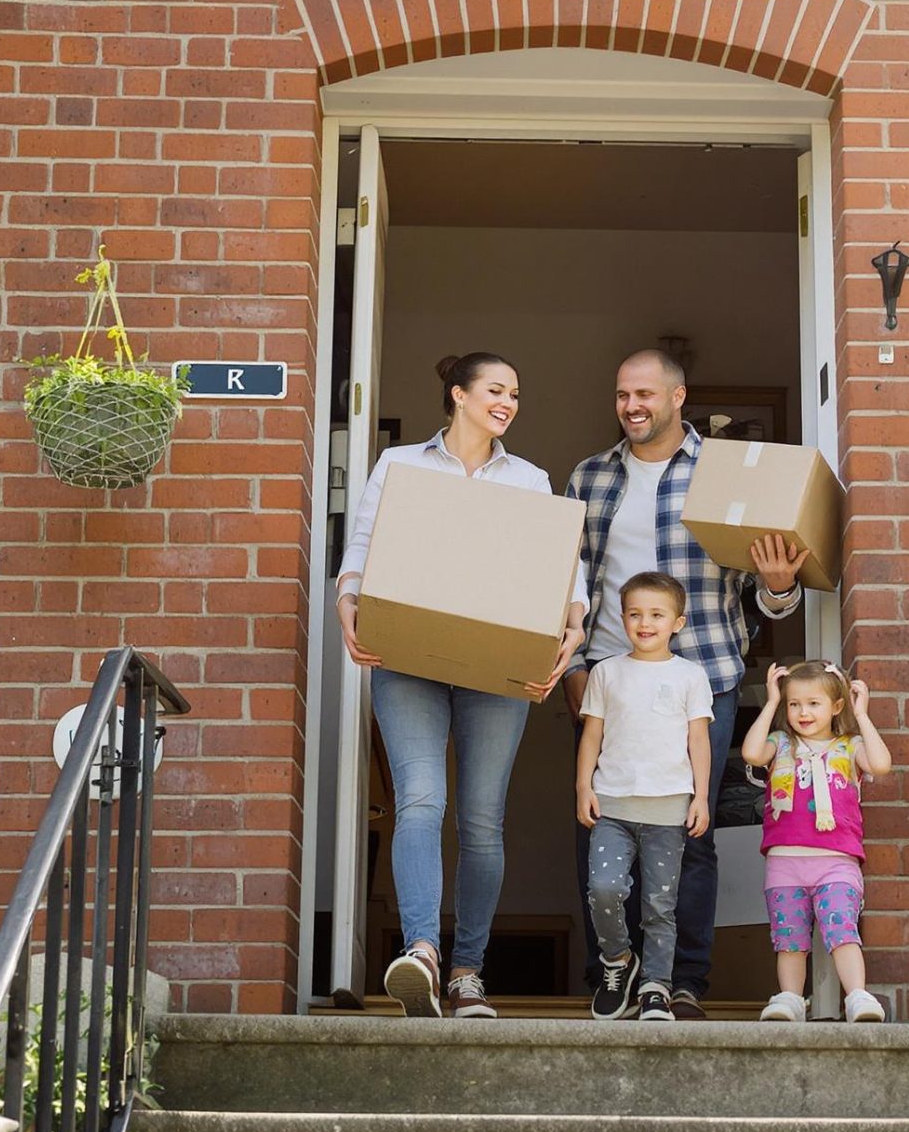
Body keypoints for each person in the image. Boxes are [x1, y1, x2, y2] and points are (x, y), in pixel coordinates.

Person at [337, 351, 587, 1020]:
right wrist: (347, 600)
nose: (507, 402)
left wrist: (573, 628)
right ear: (458, 395)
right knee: (420, 799)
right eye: (495, 390)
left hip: (496, 662)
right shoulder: (403, 465)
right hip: (407, 655)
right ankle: (421, 950)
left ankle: (469, 972)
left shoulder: (530, 478)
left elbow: (561, 567)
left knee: (481, 821)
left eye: (515, 393)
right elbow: (361, 551)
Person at [561, 348, 810, 1019]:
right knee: (600, 826)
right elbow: (566, 585)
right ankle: (612, 969)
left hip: (702, 677)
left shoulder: (723, 474)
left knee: (690, 830)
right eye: (622, 394)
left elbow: (768, 590)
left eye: (644, 393)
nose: (632, 405)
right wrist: (574, 672)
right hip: (607, 682)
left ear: (678, 397)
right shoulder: (588, 478)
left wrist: (781, 588)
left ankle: (682, 979)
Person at [574, 571, 714, 1021]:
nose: (645, 622)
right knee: (604, 889)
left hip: (668, 809)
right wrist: (583, 786)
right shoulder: (606, 672)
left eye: (656, 614)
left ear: (678, 622)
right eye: (635, 614)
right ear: (622, 619)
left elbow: (699, 742)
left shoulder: (691, 675)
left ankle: (657, 985)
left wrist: (701, 797)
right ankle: (618, 961)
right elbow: (591, 734)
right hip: (612, 805)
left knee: (659, 906)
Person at [739, 660, 895, 1023]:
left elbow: (881, 764)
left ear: (836, 706)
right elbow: (750, 752)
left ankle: (857, 995)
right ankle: (791, 998)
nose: (803, 712)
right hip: (785, 860)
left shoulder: (849, 746)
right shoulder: (779, 744)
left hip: (836, 860)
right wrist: (770, 703)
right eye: (794, 704)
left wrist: (862, 716)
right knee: (789, 938)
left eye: (813, 703)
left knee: (842, 928)